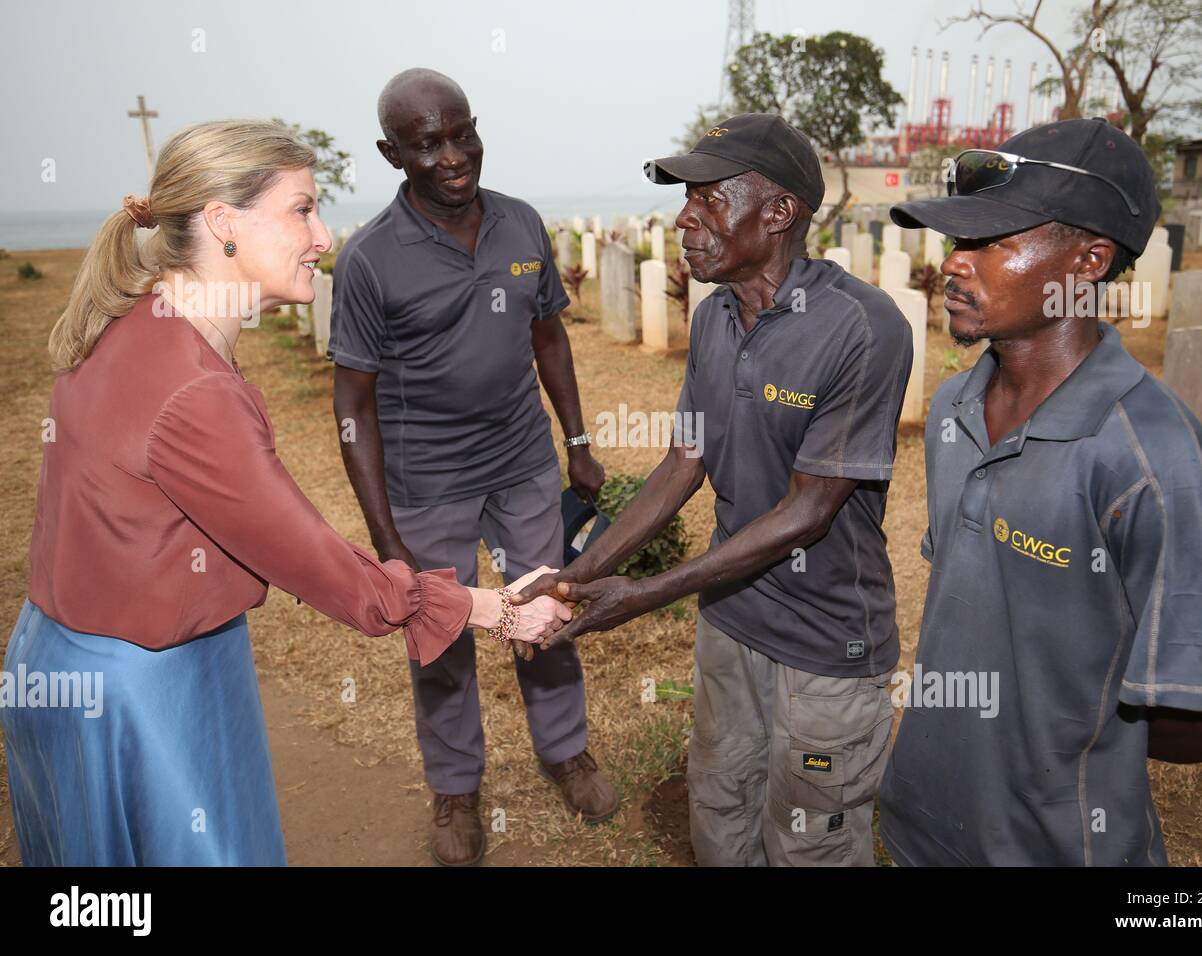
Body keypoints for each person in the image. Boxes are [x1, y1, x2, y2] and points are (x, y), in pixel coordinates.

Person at [0, 119, 568, 867]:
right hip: (143, 688)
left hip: (72, 655)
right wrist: (494, 610)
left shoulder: (132, 327)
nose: (323, 237)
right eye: (301, 209)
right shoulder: (193, 390)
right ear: (223, 223)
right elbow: (316, 562)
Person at [517, 113, 914, 866]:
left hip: (827, 646)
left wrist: (646, 593)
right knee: (721, 812)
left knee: (809, 840)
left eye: (708, 199)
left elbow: (806, 513)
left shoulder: (862, 328)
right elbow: (682, 466)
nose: (686, 220)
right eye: (685, 200)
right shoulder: (715, 320)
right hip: (731, 622)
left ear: (778, 212)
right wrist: (580, 576)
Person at [878, 117, 1202, 866]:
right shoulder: (956, 408)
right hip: (926, 821)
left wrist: (1063, 738)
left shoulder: (1155, 466)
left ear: (1086, 261)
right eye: (957, 242)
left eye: (992, 242)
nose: (955, 266)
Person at [328, 69, 616, 867]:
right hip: (426, 484)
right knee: (442, 634)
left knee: (546, 613)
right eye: (428, 145)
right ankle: (455, 788)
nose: (453, 156)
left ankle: (567, 753)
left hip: (522, 461)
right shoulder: (370, 261)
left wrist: (579, 443)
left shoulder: (521, 225)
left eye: (462, 134)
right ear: (393, 153)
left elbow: (548, 336)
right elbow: (351, 403)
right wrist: (385, 530)